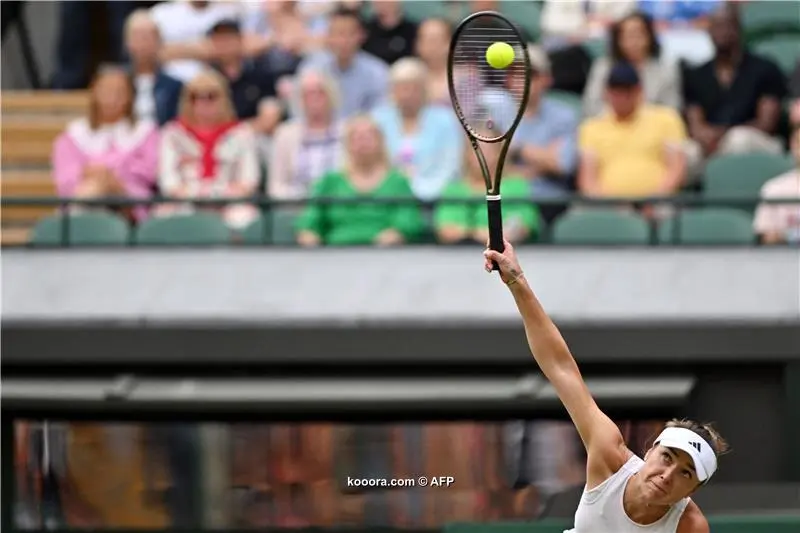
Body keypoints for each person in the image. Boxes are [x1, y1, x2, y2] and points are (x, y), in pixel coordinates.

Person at [482, 241, 729, 533]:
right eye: (667, 457)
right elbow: (560, 368)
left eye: (685, 473)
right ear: (650, 452)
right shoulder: (610, 456)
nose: (667, 475)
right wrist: (516, 280)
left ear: (693, 490)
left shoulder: (689, 526)